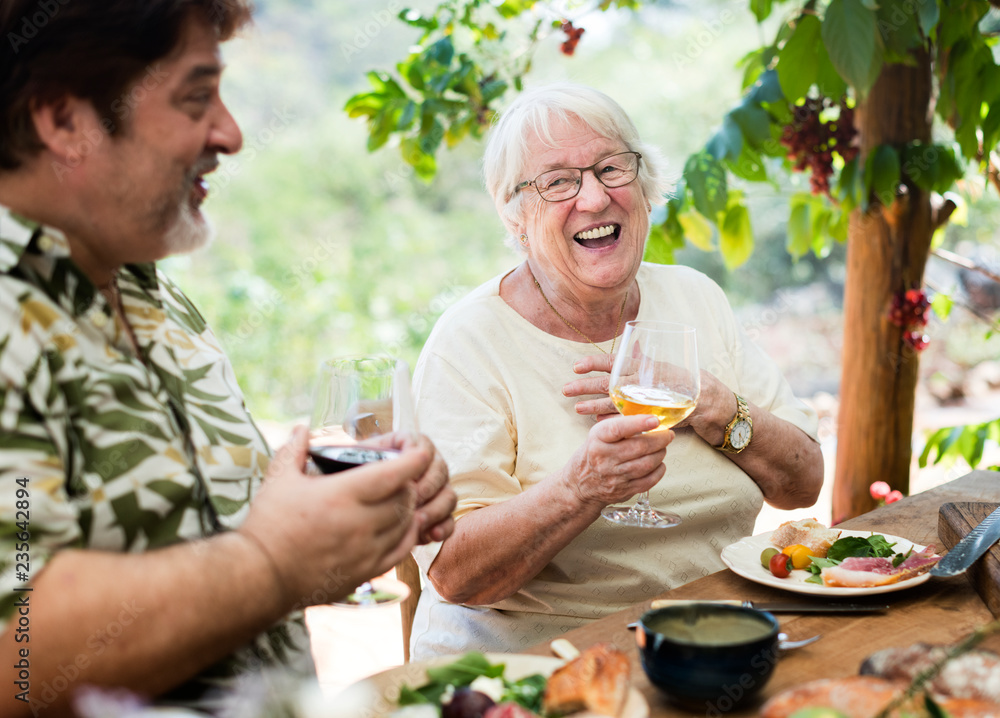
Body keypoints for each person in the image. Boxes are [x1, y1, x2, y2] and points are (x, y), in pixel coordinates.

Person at [0, 1, 456, 715]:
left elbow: (201, 551)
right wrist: (274, 562)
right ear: (65, 123)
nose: (232, 133)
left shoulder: (151, 294)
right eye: (194, 97)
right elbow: (13, 653)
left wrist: (337, 523)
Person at [408, 83, 823, 659]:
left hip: (705, 642)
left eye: (611, 168)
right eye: (557, 181)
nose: (595, 199)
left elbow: (802, 484)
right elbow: (456, 575)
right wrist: (583, 488)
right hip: (529, 668)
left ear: (645, 185)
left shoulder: (695, 299)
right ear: (515, 212)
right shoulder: (469, 342)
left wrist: (712, 404)